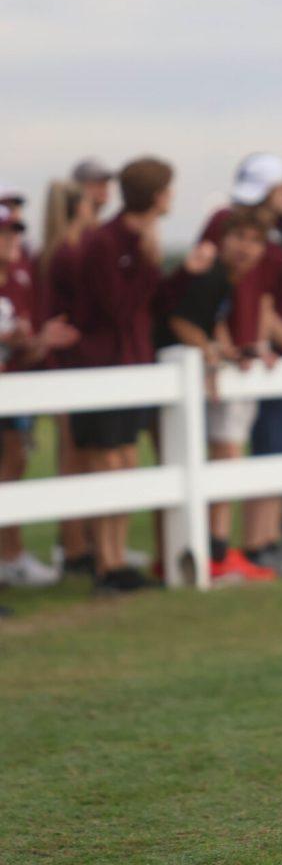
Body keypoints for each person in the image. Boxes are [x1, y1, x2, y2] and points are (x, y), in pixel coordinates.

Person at [155, 209, 282, 583]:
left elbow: (211, 319)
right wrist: (212, 352)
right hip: (167, 373)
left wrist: (225, 349)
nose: (247, 248)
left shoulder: (227, 277)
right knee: (223, 453)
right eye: (240, 238)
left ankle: (212, 548)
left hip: (187, 373)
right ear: (223, 240)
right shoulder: (212, 273)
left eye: (255, 241)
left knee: (220, 454)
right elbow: (180, 320)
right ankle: (212, 552)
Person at [70, 156, 173, 593]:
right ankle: (105, 562)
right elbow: (117, 307)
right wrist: (149, 262)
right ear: (154, 195)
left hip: (133, 363)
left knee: (126, 459)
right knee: (107, 460)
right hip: (102, 365)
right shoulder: (107, 241)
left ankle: (117, 560)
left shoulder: (135, 238)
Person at [0, 206, 78, 586]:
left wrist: (40, 341)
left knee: (14, 466)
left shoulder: (18, 278)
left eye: (14, 232)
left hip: (12, 392)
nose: (12, 240)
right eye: (5, 233)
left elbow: (22, 351)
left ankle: (11, 555)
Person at [41, 180, 99, 573]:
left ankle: (81, 542)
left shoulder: (58, 249)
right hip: (70, 361)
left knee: (77, 453)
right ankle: (74, 546)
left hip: (71, 360)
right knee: (73, 454)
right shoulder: (70, 250)